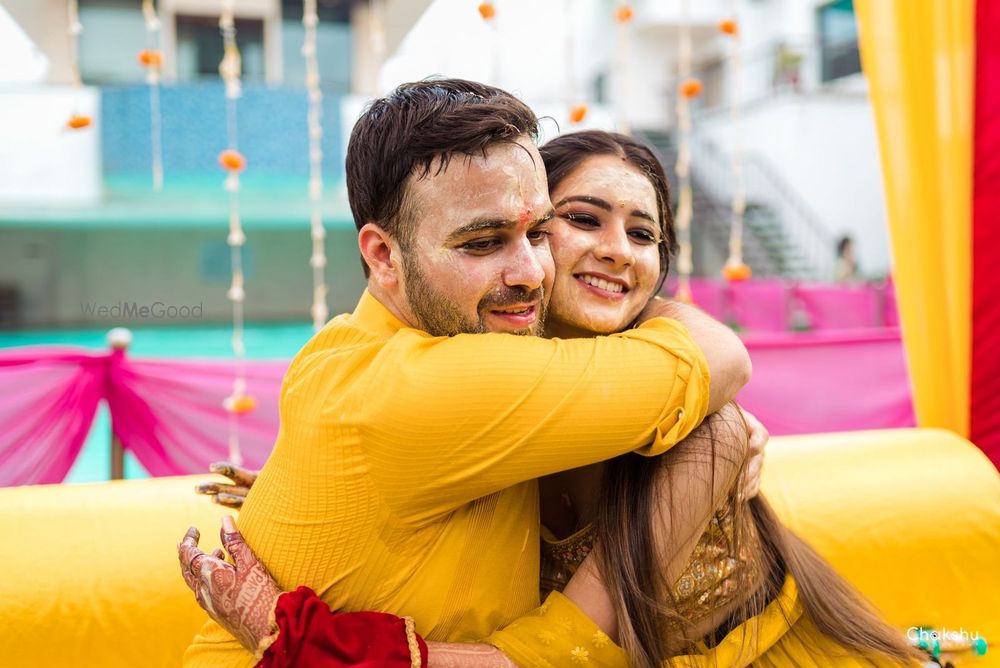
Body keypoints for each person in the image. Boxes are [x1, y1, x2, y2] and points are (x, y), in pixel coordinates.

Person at [184, 130, 921, 667]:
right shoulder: (477, 397)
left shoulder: (705, 429)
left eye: (643, 234)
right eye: (579, 220)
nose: (618, 249)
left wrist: (304, 641)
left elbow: (565, 650)